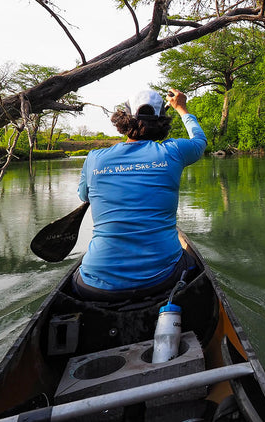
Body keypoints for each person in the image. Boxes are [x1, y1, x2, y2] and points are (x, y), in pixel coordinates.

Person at [72, 87, 207, 301]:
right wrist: (182, 108)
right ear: (162, 122)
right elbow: (200, 141)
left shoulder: (94, 158)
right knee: (191, 263)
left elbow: (84, 196)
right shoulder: (173, 152)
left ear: (124, 119)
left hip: (94, 286)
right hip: (162, 279)